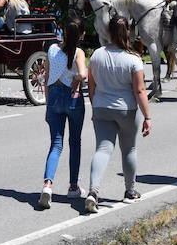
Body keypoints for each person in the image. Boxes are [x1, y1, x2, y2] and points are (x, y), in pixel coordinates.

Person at [85, 15, 152, 213]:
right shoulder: (133, 59)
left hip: (101, 107)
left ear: (108, 32)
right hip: (126, 109)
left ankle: (93, 192)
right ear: (128, 32)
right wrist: (147, 116)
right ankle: (130, 191)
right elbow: (140, 91)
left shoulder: (97, 55)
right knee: (129, 149)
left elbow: (91, 86)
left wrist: (95, 104)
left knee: (102, 149)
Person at [39, 17, 88, 209]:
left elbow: (47, 78)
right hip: (72, 97)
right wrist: (76, 80)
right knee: (74, 143)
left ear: (64, 33)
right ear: (82, 34)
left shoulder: (51, 49)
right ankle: (73, 186)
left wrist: (46, 105)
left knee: (56, 144)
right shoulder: (78, 53)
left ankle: (47, 184)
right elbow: (83, 73)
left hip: (54, 96)